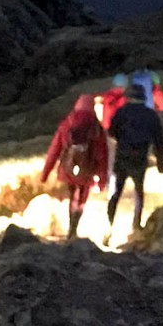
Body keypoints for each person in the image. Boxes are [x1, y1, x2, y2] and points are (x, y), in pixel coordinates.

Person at [40, 94, 108, 240]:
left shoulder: (67, 123)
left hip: (68, 168)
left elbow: (55, 149)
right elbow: (102, 155)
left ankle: (70, 226)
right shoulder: (95, 128)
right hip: (88, 170)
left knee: (72, 195)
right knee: (82, 197)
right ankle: (74, 229)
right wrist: (101, 180)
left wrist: (45, 173)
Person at [107, 84, 163, 242]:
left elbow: (111, 131)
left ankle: (109, 225)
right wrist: (161, 162)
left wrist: (121, 138)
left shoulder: (121, 112)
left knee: (116, 191)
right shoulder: (151, 115)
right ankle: (136, 225)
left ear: (128, 97)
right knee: (139, 192)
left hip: (123, 155)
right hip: (140, 157)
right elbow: (159, 140)